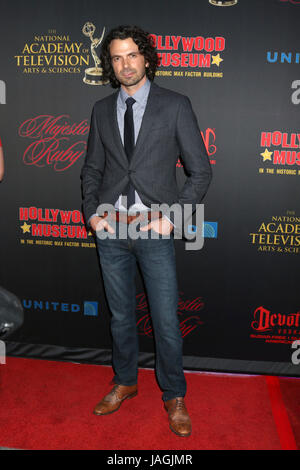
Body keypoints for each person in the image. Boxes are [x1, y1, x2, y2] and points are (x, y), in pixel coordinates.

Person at [80, 25, 212, 437]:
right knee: (120, 316)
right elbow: (91, 169)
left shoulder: (174, 105)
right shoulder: (102, 110)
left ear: (146, 57)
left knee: (165, 322)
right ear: (110, 64)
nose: (125, 64)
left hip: (155, 230)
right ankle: (125, 382)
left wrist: (171, 217)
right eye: (117, 57)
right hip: (111, 229)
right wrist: (92, 213)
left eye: (132, 55)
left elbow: (200, 172)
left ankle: (174, 395)